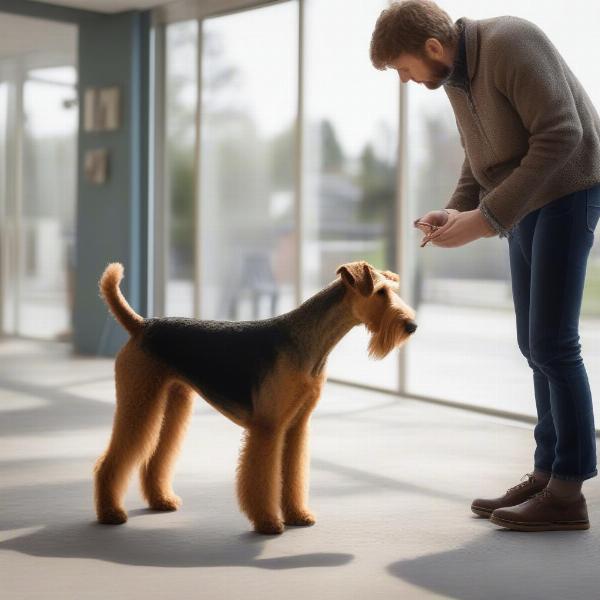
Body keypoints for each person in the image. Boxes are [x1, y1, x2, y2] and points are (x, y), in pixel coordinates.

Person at [370, 0, 600, 532]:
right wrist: (457, 209)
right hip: (525, 205)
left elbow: (562, 134)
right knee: (532, 343)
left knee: (554, 344)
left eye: (404, 68)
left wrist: (486, 218)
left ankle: (569, 492)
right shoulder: (454, 76)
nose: (405, 80)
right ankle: (547, 474)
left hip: (569, 192)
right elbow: (481, 157)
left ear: (432, 47)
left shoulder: (511, 41)